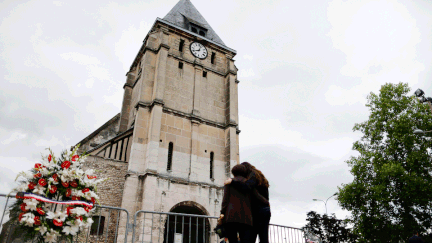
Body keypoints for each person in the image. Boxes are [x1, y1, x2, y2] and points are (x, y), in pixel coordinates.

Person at [225, 162, 271, 243]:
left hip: (258, 210)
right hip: (265, 210)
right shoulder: (259, 175)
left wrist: (232, 182)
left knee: (251, 237)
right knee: (263, 237)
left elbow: (247, 187)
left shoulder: (253, 176)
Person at [220, 164, 253, 243]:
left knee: (232, 240)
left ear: (233, 172)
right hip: (246, 217)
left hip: (231, 216)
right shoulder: (249, 183)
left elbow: (225, 200)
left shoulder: (229, 182)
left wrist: (222, 213)